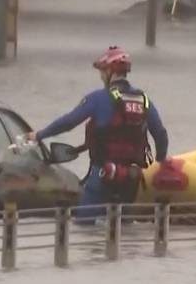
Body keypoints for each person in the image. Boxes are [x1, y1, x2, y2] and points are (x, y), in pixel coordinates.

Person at [26, 46, 169, 211]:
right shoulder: (143, 100)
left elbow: (69, 122)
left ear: (110, 71)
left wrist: (40, 135)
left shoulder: (98, 98)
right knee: (124, 227)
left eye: (103, 71)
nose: (101, 76)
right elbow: (160, 134)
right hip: (132, 178)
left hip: (102, 174)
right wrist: (159, 164)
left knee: (84, 224)